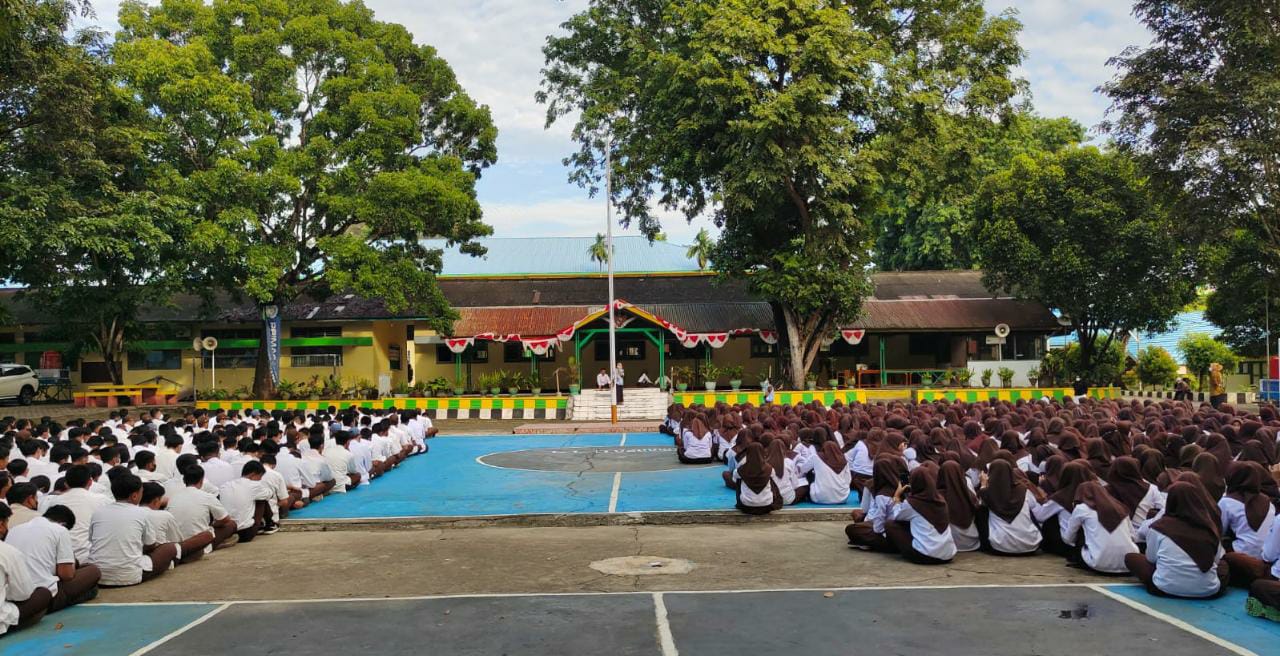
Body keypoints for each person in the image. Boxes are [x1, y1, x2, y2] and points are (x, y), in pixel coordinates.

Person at [1125, 481, 1229, 599]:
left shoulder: (1160, 527)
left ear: (1171, 501)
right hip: (1207, 591)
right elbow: (1214, 561)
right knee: (1224, 566)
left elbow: (1151, 558)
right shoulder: (1209, 527)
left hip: (1164, 588)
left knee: (1131, 558)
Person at [87, 472, 179, 587]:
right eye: (141, 492)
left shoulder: (98, 512)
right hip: (129, 575)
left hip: (100, 575)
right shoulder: (141, 513)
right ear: (135, 496)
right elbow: (150, 544)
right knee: (169, 548)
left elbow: (92, 541)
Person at [4, 505, 100, 611]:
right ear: (63, 524)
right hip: (43, 593)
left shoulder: (14, 529)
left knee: (82, 568)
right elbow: (66, 575)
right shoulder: (60, 530)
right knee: (93, 570)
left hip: (13, 594)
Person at [886, 466, 957, 565]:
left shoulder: (912, 503)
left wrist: (896, 497)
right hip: (948, 555)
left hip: (925, 556)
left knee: (890, 525)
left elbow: (895, 516)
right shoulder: (941, 500)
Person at [1065, 481, 1139, 574]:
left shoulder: (1082, 508)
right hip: (1128, 563)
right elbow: (1134, 537)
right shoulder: (1121, 508)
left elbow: (1068, 538)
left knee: (1081, 530)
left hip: (1098, 563)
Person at [0, 504, 51, 636]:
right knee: (43, 594)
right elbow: (22, 594)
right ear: (1, 524)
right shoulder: (8, 552)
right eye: (6, 523)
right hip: (2, 617)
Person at [166, 465, 237, 559]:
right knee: (231, 524)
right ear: (201, 481)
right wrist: (214, 525)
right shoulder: (207, 496)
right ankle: (215, 544)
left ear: (184, 480)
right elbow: (225, 519)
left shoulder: (173, 498)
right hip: (200, 543)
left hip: (178, 544)